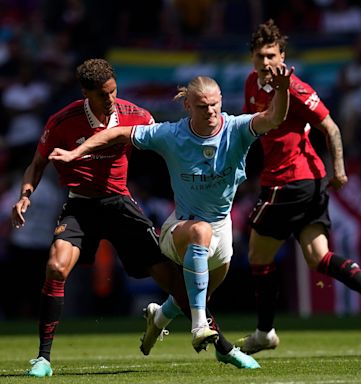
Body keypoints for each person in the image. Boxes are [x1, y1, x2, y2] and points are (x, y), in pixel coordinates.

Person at [12, 59, 257, 377]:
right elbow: (37, 163)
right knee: (56, 267)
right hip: (81, 206)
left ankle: (224, 348)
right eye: (102, 94)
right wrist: (25, 195)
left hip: (121, 204)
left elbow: (168, 148)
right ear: (86, 93)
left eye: (113, 91)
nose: (110, 99)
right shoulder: (62, 121)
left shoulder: (136, 114)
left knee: (175, 283)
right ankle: (43, 359)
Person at [49, 68, 294, 364]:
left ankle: (159, 316)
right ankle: (200, 327)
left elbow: (274, 118)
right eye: (202, 106)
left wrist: (282, 90)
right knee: (199, 236)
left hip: (222, 232)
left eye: (215, 104)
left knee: (189, 296)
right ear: (188, 106)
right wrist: (78, 153)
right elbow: (117, 133)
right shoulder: (171, 134)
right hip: (179, 230)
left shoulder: (237, 129)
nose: (211, 111)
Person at [236, 19, 361, 355]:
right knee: (317, 256)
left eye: (271, 55)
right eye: (259, 56)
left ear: (283, 56)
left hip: (291, 182)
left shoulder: (296, 88)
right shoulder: (252, 83)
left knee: (256, 253)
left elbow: (331, 127)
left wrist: (339, 169)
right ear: (252, 58)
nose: (265, 63)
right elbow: (250, 129)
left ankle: (265, 331)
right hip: (297, 182)